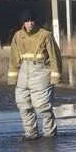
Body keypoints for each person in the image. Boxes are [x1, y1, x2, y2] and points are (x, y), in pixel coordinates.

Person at [7, 10, 62, 139]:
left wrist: (55, 77)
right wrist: (12, 78)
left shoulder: (45, 35)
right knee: (23, 105)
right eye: (27, 21)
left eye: (32, 20)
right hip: (23, 73)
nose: (30, 23)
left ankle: (49, 134)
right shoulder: (18, 36)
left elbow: (55, 57)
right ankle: (30, 134)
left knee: (43, 106)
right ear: (23, 22)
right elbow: (14, 58)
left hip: (41, 72)